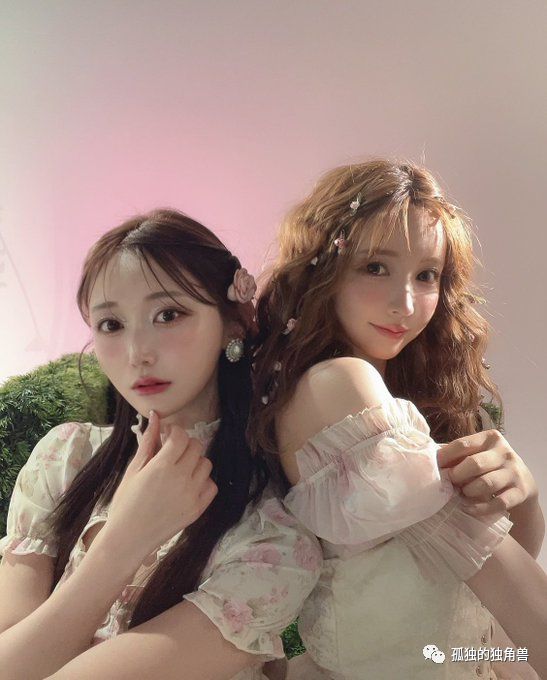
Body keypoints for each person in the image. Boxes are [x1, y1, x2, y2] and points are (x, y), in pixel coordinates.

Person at [251, 159, 547, 679]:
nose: (405, 303)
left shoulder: (417, 398)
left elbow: (480, 600)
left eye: (426, 275)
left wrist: (523, 493)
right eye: (375, 267)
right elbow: (496, 572)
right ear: (323, 270)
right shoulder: (338, 383)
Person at [0, 209, 322, 680]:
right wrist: (124, 537)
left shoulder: (271, 541)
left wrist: (126, 538)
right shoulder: (64, 458)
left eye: (168, 315)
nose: (138, 353)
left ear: (233, 324)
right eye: (112, 324)